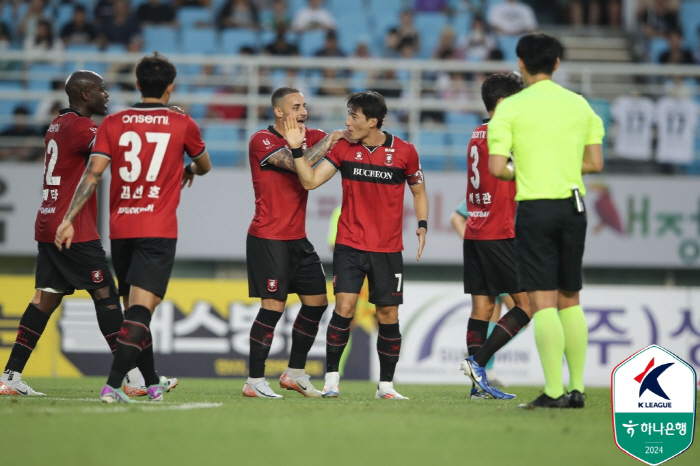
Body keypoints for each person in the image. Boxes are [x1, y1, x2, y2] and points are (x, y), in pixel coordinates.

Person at [55, 53, 212, 403]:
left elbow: (93, 175)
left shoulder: (113, 123)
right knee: (141, 312)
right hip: (157, 228)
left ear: (138, 84)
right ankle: (112, 385)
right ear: (171, 88)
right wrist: (188, 170)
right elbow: (204, 165)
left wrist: (68, 218)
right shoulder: (182, 123)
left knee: (133, 313)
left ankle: (152, 381)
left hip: (121, 228)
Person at [485, 33, 604, 408]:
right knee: (571, 298)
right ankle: (579, 388)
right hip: (573, 205)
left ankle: (553, 391)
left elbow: (496, 168)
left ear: (520, 63)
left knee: (543, 300)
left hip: (535, 207)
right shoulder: (581, 105)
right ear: (556, 64)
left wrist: (528, 169)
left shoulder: (511, 108)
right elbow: (595, 163)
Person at [289, 91, 429, 400]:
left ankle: (386, 387)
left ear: (373, 121)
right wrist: (298, 152)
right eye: (348, 115)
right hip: (350, 245)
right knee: (345, 308)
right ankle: (332, 381)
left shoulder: (405, 152)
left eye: (354, 116)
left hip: (388, 249)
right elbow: (310, 181)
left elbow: (419, 192)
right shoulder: (343, 149)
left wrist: (422, 225)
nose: (347, 122)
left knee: (388, 314)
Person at [0, 71, 119, 396]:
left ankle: (10, 376)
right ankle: (135, 377)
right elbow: (113, 150)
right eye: (101, 90)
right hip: (73, 225)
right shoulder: (82, 127)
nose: (106, 95)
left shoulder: (58, 124)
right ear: (84, 95)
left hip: (48, 220)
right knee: (106, 295)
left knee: (44, 299)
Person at [242, 87, 345, 399]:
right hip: (268, 238)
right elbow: (298, 164)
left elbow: (337, 146)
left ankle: (295, 373)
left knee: (317, 303)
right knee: (272, 308)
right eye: (296, 106)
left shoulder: (312, 134)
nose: (303, 111)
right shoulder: (262, 140)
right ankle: (254, 381)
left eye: (304, 105)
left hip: (297, 239)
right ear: (278, 112)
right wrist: (329, 141)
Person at [457, 73, 532, 400]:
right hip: (500, 231)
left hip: (475, 228)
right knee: (527, 307)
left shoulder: (477, 131)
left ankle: (478, 388)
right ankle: (479, 362)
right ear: (503, 103)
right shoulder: (506, 132)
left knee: (483, 308)